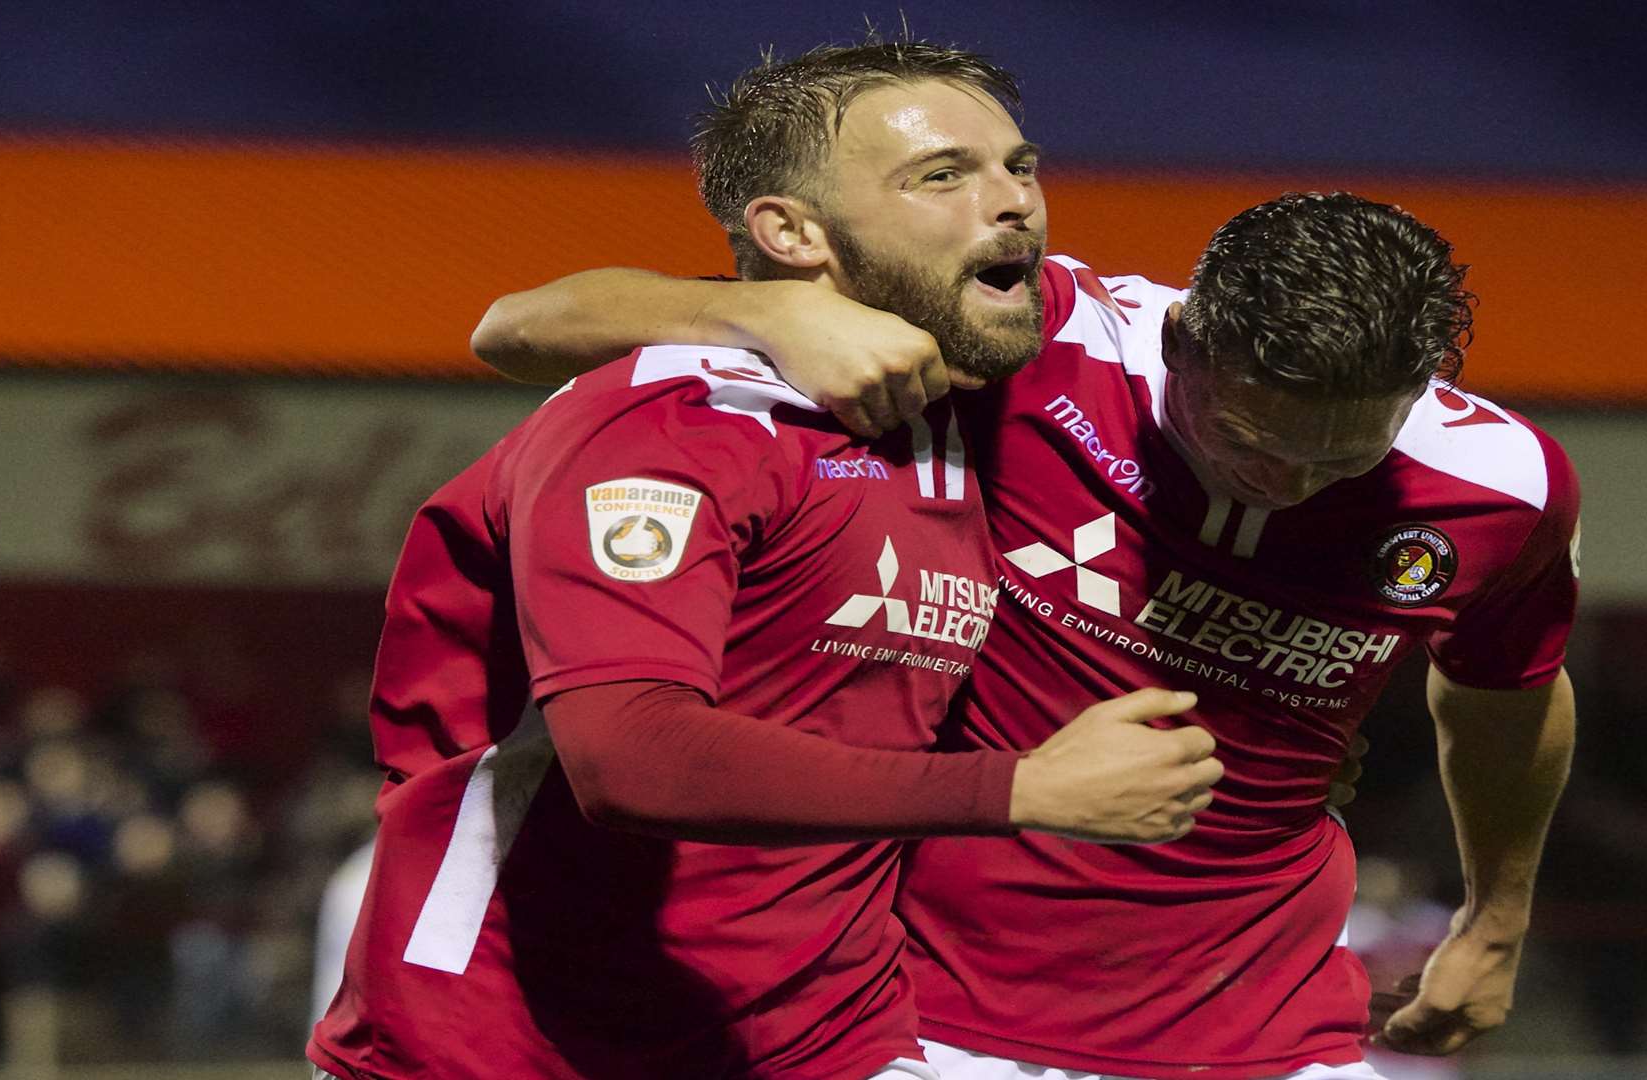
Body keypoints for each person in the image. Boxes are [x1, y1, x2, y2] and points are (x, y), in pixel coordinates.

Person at [478, 128, 1580, 1080]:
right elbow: (524, 326)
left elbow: (1507, 691)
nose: (1288, 484)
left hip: (1273, 1019)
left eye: (1342, 459)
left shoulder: (1502, 488)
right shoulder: (1036, 342)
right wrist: (774, 315)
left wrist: (1497, 917)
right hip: (927, 1013)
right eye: (1249, 441)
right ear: (1181, 339)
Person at [307, 42, 1226, 1080]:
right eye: (943, 174)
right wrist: (1022, 789)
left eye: (1019, 164)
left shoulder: (988, 401)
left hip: (830, 1036)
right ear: (791, 233)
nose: (1014, 201)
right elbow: (631, 755)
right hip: (513, 1040)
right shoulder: (672, 420)